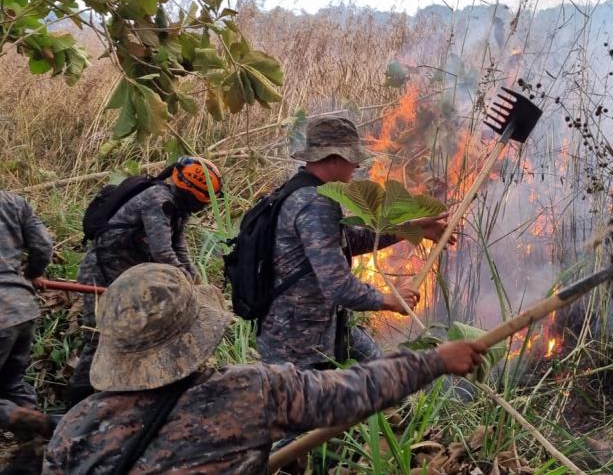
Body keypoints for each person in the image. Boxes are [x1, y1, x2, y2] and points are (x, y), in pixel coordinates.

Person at [42, 263, 487, 473]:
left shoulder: (73, 431)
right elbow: (350, 392)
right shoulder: (248, 394)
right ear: (197, 332)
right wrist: (434, 361)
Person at [258, 116, 455, 369]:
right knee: (341, 397)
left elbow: (345, 240)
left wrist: (409, 229)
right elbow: (338, 285)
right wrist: (389, 300)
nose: (358, 163)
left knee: (382, 376)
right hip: (298, 342)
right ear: (334, 159)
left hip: (324, 324)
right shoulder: (314, 203)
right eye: (352, 158)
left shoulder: (307, 191)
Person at [67, 157, 223, 406]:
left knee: (133, 335)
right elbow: (162, 252)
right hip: (100, 274)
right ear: (191, 193)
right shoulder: (158, 200)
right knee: (99, 336)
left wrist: (193, 277)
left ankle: (119, 397)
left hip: (127, 278)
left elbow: (177, 246)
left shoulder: (176, 208)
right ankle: (77, 402)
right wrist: (183, 280)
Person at [0, 190, 54, 471]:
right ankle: (34, 448)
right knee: (12, 383)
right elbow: (43, 244)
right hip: (21, 307)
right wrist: (32, 275)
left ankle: (17, 418)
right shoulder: (12, 201)